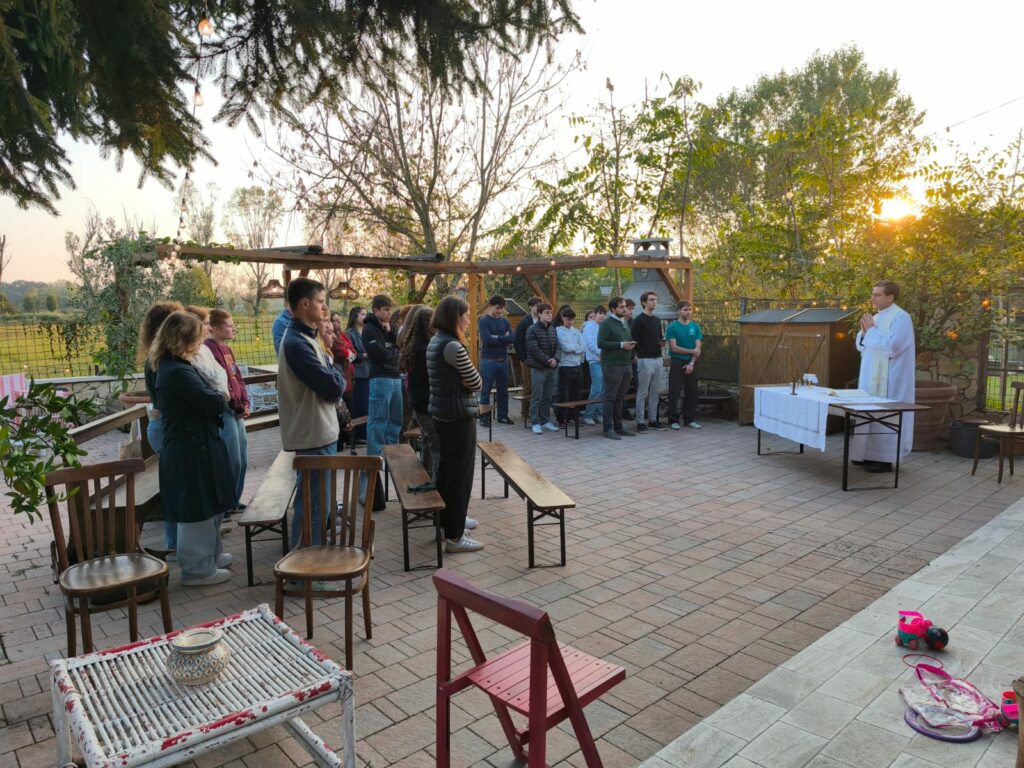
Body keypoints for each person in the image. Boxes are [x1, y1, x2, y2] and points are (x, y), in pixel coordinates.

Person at [151, 311, 234, 586]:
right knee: (196, 509)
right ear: (183, 339)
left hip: (199, 445)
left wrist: (217, 394)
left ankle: (210, 556)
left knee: (210, 505)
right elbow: (213, 401)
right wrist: (220, 395)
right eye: (198, 337)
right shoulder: (176, 371)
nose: (201, 343)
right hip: (189, 450)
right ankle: (197, 570)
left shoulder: (180, 366)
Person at [277, 277, 344, 548]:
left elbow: (332, 377)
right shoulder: (296, 342)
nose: (324, 307)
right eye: (320, 301)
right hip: (312, 435)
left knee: (320, 504)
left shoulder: (308, 336)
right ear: (304, 304)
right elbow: (333, 386)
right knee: (314, 507)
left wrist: (334, 374)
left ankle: (310, 558)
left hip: (320, 432)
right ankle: (305, 565)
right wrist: (336, 376)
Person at [427, 296, 483, 553]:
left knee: (447, 472)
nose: (468, 320)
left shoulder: (436, 340)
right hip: (458, 416)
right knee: (460, 475)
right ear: (454, 317)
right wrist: (467, 382)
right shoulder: (452, 346)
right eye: (466, 315)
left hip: (443, 414)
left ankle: (448, 521)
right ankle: (455, 536)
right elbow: (476, 382)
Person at [853, 279, 916, 473]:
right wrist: (864, 334)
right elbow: (862, 346)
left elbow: (894, 346)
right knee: (868, 413)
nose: (873, 298)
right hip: (870, 375)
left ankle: (884, 458)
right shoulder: (876, 318)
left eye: (877, 295)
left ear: (890, 297)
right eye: (873, 294)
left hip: (890, 378)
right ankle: (865, 454)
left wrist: (871, 331)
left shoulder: (901, 318)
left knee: (886, 414)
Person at [138, 300, 184, 555]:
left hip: (162, 424)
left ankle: (181, 541)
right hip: (165, 426)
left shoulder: (159, 356)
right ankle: (175, 545)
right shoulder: (158, 360)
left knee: (176, 486)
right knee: (174, 488)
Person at [185, 306, 237, 521]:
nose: (206, 328)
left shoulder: (213, 350)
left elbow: (228, 376)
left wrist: (240, 401)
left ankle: (231, 502)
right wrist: (223, 396)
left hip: (230, 406)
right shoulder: (191, 359)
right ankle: (225, 507)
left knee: (237, 460)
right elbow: (213, 381)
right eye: (205, 324)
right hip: (214, 416)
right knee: (228, 461)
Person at [206, 309, 251, 512]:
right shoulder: (210, 350)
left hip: (238, 409)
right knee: (232, 459)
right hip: (226, 410)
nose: (234, 329)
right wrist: (238, 406)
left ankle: (234, 499)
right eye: (229, 326)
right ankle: (225, 504)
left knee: (242, 457)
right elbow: (220, 383)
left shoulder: (227, 349)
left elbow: (237, 378)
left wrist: (245, 402)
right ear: (215, 328)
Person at [398, 305, 443, 482]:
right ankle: (435, 487)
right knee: (437, 449)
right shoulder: (426, 349)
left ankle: (424, 479)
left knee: (427, 444)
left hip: (418, 403)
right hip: (427, 404)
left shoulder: (414, 345)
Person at [362, 294, 403, 477]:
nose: (389, 313)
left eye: (390, 309)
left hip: (395, 377)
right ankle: (375, 460)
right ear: (375, 310)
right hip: (380, 379)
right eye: (385, 309)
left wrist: (390, 334)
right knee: (379, 420)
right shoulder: (369, 330)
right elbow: (381, 355)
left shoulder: (388, 328)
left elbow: (400, 346)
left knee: (395, 419)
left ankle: (393, 456)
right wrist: (394, 352)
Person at [597, 297, 637, 440]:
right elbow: (601, 343)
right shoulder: (606, 324)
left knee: (620, 398)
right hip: (612, 365)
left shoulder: (624, 322)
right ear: (613, 309)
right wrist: (621, 345)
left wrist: (630, 348)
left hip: (626, 364)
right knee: (610, 398)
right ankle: (608, 429)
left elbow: (626, 339)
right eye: (621, 307)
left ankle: (619, 427)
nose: (625, 309)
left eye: (625, 306)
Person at [631, 291, 667, 432]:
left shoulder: (657, 320)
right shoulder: (638, 320)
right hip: (644, 359)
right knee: (642, 392)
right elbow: (633, 340)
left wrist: (662, 342)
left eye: (655, 299)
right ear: (644, 302)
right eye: (651, 299)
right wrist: (635, 355)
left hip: (658, 358)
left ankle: (653, 420)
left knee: (655, 392)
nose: (654, 302)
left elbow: (659, 336)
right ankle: (640, 421)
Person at [477, 295, 516, 426]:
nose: (500, 311)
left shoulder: (505, 322)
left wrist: (496, 337)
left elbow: (512, 338)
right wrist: (503, 338)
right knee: (486, 390)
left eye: (501, 308)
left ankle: (503, 416)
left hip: (503, 360)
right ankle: (484, 418)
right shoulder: (484, 321)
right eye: (497, 308)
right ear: (490, 306)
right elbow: (487, 340)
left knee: (503, 390)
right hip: (489, 360)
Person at [665, 300, 703, 430]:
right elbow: (674, 348)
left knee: (692, 392)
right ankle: (673, 420)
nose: (688, 312)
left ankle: (689, 419)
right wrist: (692, 351)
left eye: (690, 309)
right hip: (677, 362)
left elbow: (698, 348)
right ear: (678, 311)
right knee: (674, 391)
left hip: (692, 362)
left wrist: (691, 363)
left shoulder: (695, 326)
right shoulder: (672, 327)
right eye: (685, 309)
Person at [525, 303, 560, 435]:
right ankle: (535, 423)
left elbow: (558, 347)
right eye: (546, 313)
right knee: (537, 397)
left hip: (552, 368)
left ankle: (546, 421)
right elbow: (534, 350)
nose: (550, 315)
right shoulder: (532, 329)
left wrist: (555, 359)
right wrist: (548, 360)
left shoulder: (552, 329)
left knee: (548, 396)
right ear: (539, 314)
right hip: (539, 368)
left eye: (551, 312)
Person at [512, 297, 542, 424]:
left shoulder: (542, 321)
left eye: (540, 306)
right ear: (530, 307)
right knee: (528, 386)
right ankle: (525, 412)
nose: (538, 308)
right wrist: (524, 359)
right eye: (536, 306)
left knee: (539, 386)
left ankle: (537, 412)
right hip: (528, 360)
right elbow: (518, 341)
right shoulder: (525, 322)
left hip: (541, 360)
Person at [555, 307, 585, 427]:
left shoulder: (576, 331)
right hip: (565, 366)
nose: (570, 322)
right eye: (568, 319)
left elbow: (583, 347)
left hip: (577, 365)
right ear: (563, 318)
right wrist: (576, 348)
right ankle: (561, 419)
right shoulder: (559, 331)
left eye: (572, 320)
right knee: (564, 394)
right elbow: (565, 348)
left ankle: (573, 417)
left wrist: (574, 349)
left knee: (576, 393)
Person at [346, 306, 370, 443]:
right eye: (362, 314)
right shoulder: (350, 334)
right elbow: (350, 354)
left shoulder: (366, 331)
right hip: (358, 373)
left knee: (367, 405)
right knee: (360, 404)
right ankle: (359, 435)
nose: (365, 317)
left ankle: (366, 433)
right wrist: (364, 355)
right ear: (355, 317)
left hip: (369, 372)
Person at [581, 305, 606, 426]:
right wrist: (602, 353)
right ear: (595, 314)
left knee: (603, 389)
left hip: (605, 361)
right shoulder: (588, 326)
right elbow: (590, 344)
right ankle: (588, 415)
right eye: (600, 313)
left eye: (604, 313)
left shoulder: (603, 326)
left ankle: (599, 414)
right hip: (595, 361)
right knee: (596, 388)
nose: (602, 316)